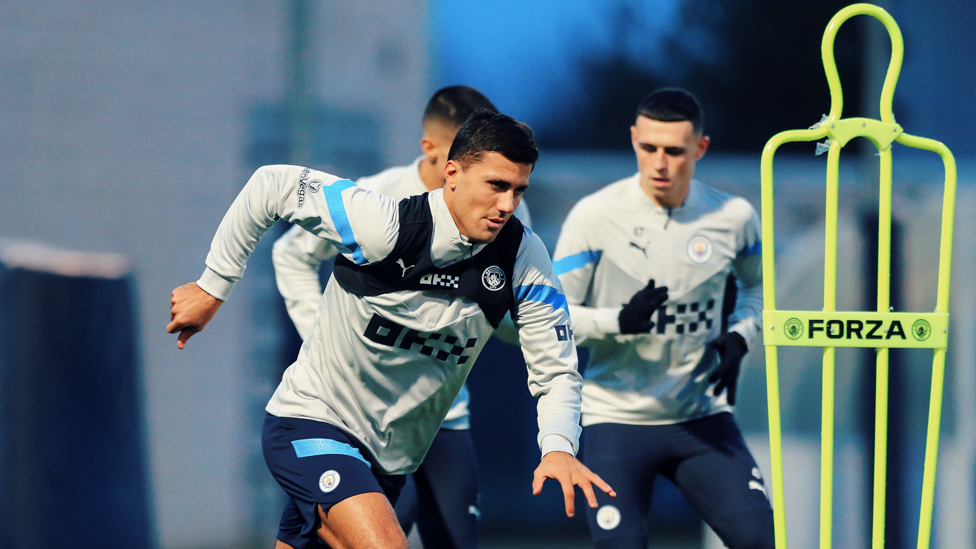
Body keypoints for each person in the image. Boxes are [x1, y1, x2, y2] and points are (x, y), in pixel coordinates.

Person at [167, 110, 614, 549]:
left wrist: (558, 446)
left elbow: (556, 369)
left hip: (391, 461)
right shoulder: (385, 225)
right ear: (452, 174)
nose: (507, 205)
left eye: (518, 190)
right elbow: (272, 184)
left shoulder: (522, 256)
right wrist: (212, 287)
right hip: (314, 422)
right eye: (496, 185)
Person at [271, 85, 531, 548]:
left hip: (442, 415)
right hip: (357, 414)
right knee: (384, 527)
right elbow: (291, 253)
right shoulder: (379, 197)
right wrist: (326, 343)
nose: (497, 196)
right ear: (436, 152)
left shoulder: (505, 209)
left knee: (455, 538)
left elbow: (517, 316)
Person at [551, 89, 773, 549]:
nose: (659, 163)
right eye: (648, 147)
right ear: (634, 138)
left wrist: (740, 334)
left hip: (702, 417)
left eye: (674, 151)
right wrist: (618, 321)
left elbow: (757, 288)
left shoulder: (734, 217)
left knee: (759, 541)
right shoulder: (594, 216)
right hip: (614, 419)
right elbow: (551, 318)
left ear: (700, 148)